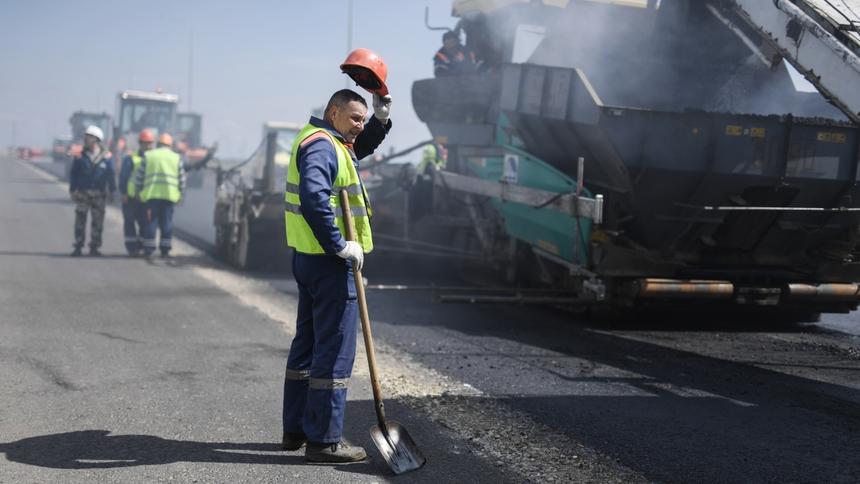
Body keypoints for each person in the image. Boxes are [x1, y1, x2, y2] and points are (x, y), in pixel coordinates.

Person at [281, 88, 392, 463]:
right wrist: (340, 245)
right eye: (355, 118)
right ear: (333, 113)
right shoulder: (324, 147)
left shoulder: (329, 141)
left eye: (363, 120)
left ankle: (295, 430)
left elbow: (361, 147)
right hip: (330, 265)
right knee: (334, 352)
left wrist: (380, 119)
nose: (359, 127)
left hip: (308, 261)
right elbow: (314, 196)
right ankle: (325, 441)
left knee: (308, 347)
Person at [134, 132, 185, 259]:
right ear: (170, 145)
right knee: (166, 223)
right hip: (169, 197)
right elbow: (182, 179)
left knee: (151, 222)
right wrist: (181, 194)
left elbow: (139, 176)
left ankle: (149, 249)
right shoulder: (176, 157)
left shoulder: (149, 156)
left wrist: (138, 192)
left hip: (152, 196)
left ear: (158, 144)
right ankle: (165, 250)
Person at [69, 125, 115, 256]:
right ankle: (78, 245)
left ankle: (94, 247)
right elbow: (74, 174)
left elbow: (111, 175)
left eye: (88, 137)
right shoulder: (80, 156)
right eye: (86, 136)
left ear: (96, 139)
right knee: (80, 220)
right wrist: (73, 190)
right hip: (83, 193)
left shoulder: (106, 157)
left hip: (99, 194)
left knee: (98, 221)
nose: (85, 139)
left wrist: (112, 191)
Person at [118, 129, 154, 256]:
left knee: (145, 224)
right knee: (129, 222)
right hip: (131, 198)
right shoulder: (131, 159)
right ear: (140, 143)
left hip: (146, 198)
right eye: (146, 143)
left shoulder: (154, 159)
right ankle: (132, 249)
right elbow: (123, 177)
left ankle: (142, 246)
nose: (148, 146)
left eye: (150, 143)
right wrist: (124, 193)